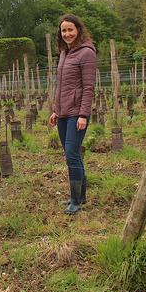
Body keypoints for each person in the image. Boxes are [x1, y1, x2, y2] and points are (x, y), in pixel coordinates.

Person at [48, 14, 97, 214]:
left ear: (78, 30)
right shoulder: (64, 53)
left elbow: (88, 87)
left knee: (71, 154)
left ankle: (75, 202)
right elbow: (62, 86)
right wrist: (55, 110)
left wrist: (83, 115)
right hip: (63, 113)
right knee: (72, 154)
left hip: (77, 113)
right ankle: (79, 197)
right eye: (64, 30)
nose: (67, 34)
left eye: (70, 29)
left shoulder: (87, 53)